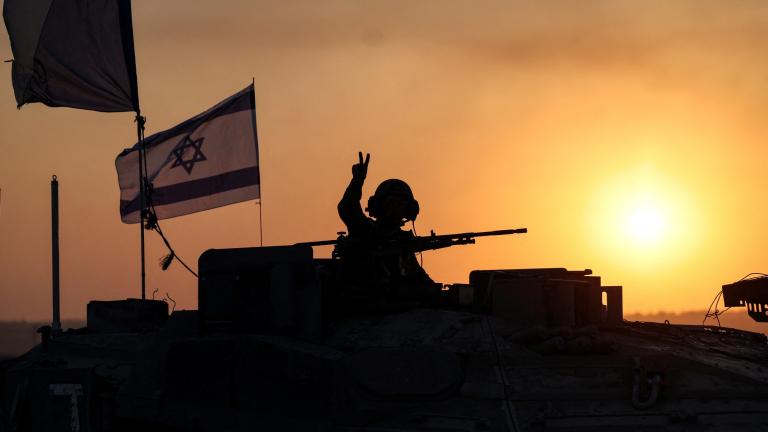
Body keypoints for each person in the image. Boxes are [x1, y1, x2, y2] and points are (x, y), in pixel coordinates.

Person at [335, 152, 436, 311]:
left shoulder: (403, 243)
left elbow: (418, 279)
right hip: (361, 307)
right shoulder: (365, 230)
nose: (395, 208)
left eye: (400, 203)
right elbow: (347, 208)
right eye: (390, 202)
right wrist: (357, 181)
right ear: (377, 206)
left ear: (409, 210)